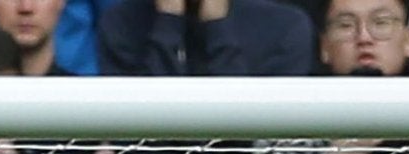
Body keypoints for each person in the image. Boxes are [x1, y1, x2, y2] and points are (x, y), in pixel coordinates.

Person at [96, 0, 315, 73]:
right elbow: (141, 132)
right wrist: (168, 22)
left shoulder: (285, 26)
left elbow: (242, 132)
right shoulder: (121, 22)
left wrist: (217, 26)